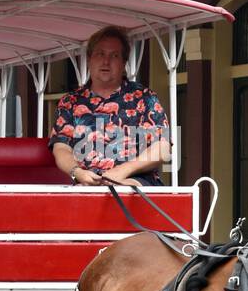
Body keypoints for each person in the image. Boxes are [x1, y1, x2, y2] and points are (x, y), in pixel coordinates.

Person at [48, 25, 170, 187]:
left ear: (123, 62)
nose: (106, 61)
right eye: (100, 54)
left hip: (135, 179)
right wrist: (77, 172)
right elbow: (61, 148)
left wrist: (124, 170)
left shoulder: (145, 98)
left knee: (123, 189)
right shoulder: (70, 102)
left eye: (114, 55)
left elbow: (162, 147)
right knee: (81, 195)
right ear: (89, 58)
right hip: (87, 180)